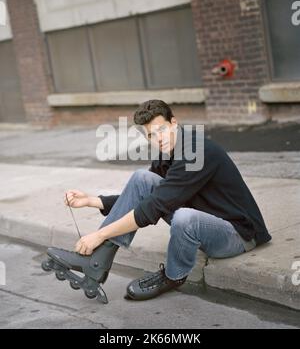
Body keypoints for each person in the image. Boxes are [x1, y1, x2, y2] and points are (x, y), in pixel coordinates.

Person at [43, 99, 271, 301]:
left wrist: (99, 234)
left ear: (174, 123)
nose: (157, 138)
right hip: (207, 224)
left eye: (161, 130)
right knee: (142, 177)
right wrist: (92, 201)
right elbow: (145, 196)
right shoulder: (168, 152)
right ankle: (97, 262)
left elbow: (153, 207)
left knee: (184, 218)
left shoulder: (196, 151)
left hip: (238, 234)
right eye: (150, 134)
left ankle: (172, 276)